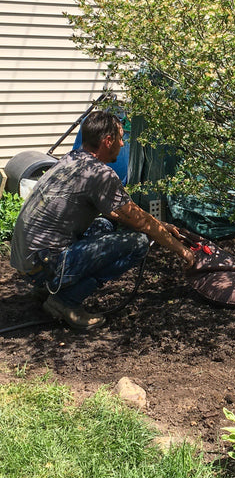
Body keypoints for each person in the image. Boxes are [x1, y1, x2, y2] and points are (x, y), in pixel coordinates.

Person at [10, 111, 195, 331]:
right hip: (45, 265)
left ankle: (46, 288)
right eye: (120, 137)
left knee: (104, 225)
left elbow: (123, 214)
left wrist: (162, 225)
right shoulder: (99, 175)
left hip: (27, 260)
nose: (123, 142)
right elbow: (141, 223)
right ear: (108, 141)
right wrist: (182, 250)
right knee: (138, 243)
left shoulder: (70, 160)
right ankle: (65, 301)